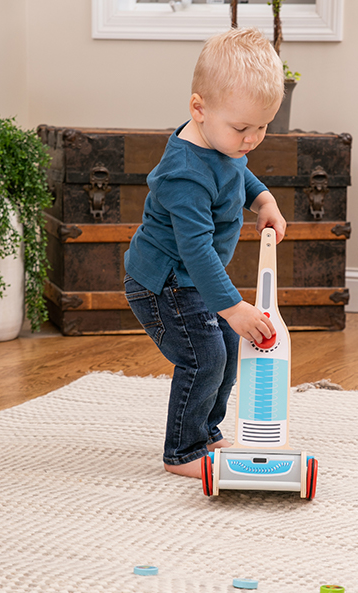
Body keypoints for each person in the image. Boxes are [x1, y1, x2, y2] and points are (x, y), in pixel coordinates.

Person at [123, 28, 287, 479]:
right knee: (204, 357)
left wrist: (264, 200)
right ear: (199, 109)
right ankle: (184, 449)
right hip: (164, 282)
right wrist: (233, 306)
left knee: (228, 348)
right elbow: (194, 249)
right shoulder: (184, 174)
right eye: (242, 128)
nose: (252, 139)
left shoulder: (222, 142)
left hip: (192, 279)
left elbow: (237, 172)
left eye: (262, 127)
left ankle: (207, 429)